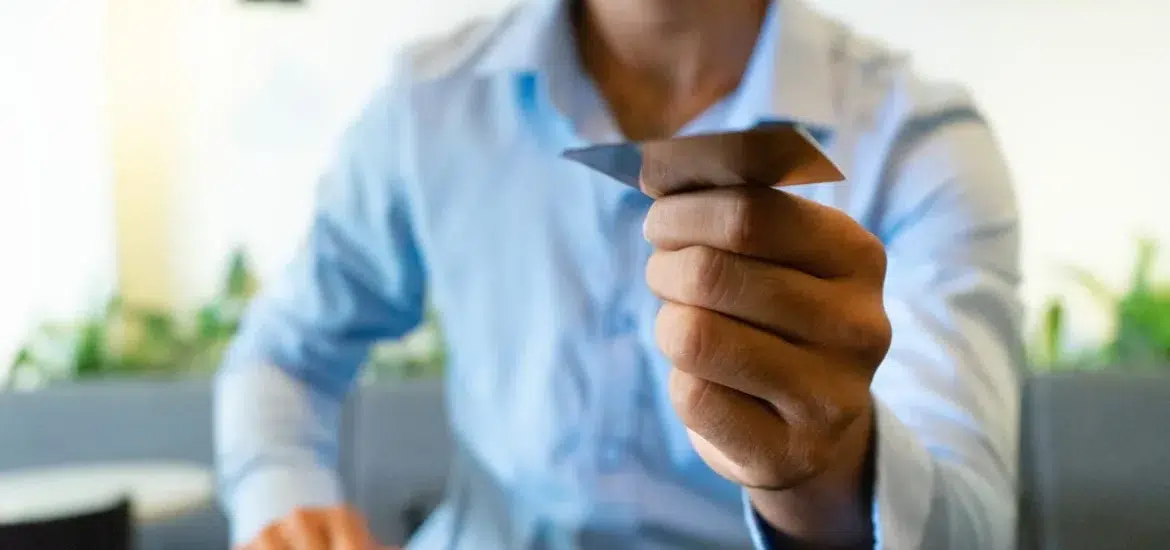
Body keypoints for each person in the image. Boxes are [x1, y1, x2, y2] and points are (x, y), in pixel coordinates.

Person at [214, 0, 1023, 548]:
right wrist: (283, 500)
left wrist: (834, 472)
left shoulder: (918, 143)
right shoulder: (426, 108)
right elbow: (282, 356)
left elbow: (973, 521)